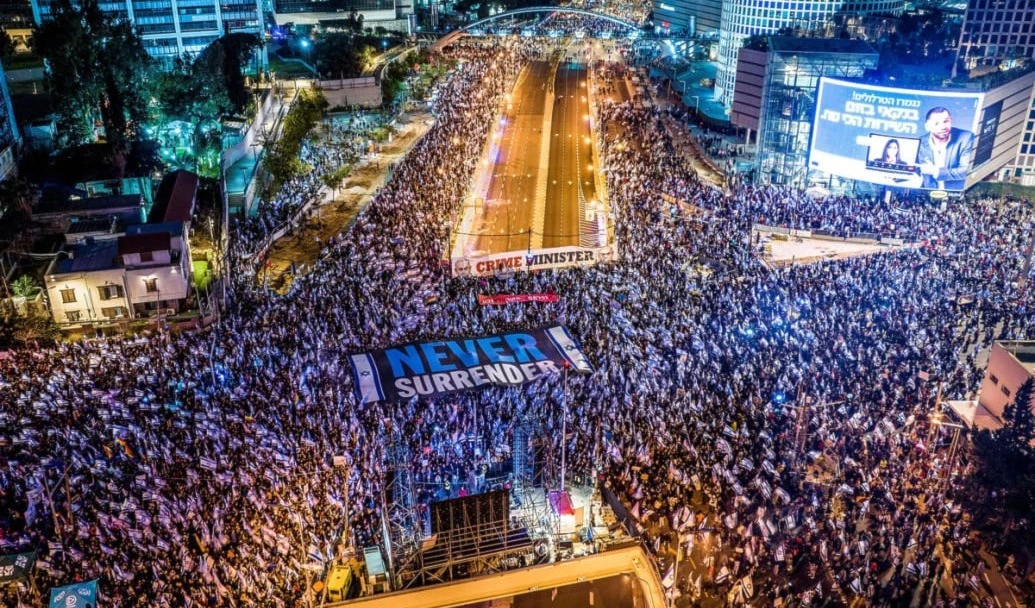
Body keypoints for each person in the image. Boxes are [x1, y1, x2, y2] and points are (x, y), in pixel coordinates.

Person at [916, 107, 975, 190]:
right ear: (927, 126)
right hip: (928, 193)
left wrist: (935, 171)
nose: (943, 126)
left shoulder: (966, 138)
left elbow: (966, 170)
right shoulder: (921, 142)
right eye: (936, 123)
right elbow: (914, 168)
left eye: (946, 121)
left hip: (955, 193)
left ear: (951, 120)